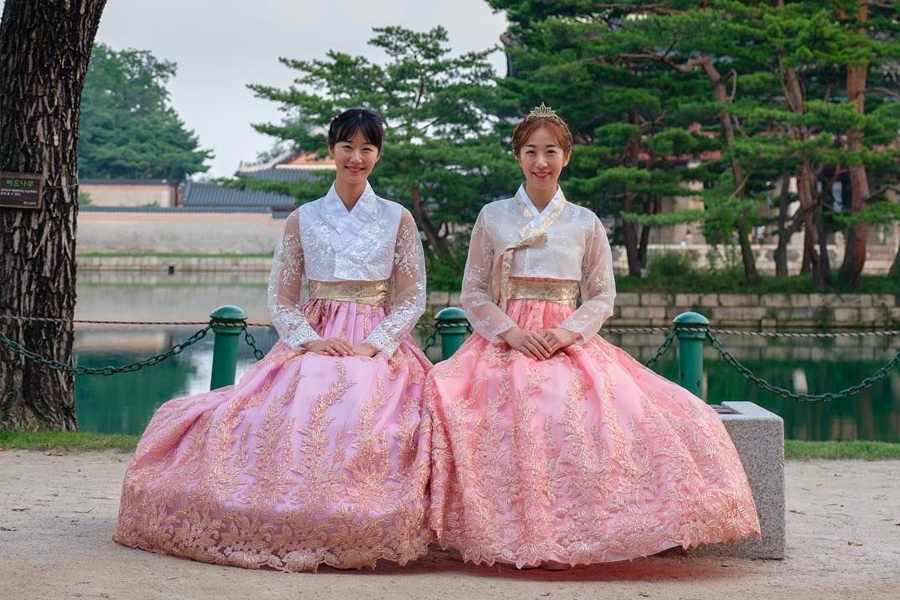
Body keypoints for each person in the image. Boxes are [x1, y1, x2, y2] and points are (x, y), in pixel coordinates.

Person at [426, 104, 761, 569]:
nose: (540, 162)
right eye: (530, 151)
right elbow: (475, 292)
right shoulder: (493, 216)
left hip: (567, 337)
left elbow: (602, 296)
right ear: (517, 156)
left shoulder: (584, 221)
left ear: (567, 156)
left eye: (550, 152)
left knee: (634, 411)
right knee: (461, 401)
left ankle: (586, 530)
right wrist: (512, 333)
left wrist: (566, 332)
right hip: (508, 337)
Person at [114, 108, 432, 573]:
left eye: (367, 148)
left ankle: (360, 512)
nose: (356, 157)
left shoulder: (396, 218)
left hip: (375, 339)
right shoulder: (303, 219)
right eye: (348, 147)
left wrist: (373, 344)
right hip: (314, 335)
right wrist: (311, 341)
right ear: (331, 150)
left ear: (378, 155)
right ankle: (286, 511)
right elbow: (281, 300)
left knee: (368, 403)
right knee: (271, 410)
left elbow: (412, 297)